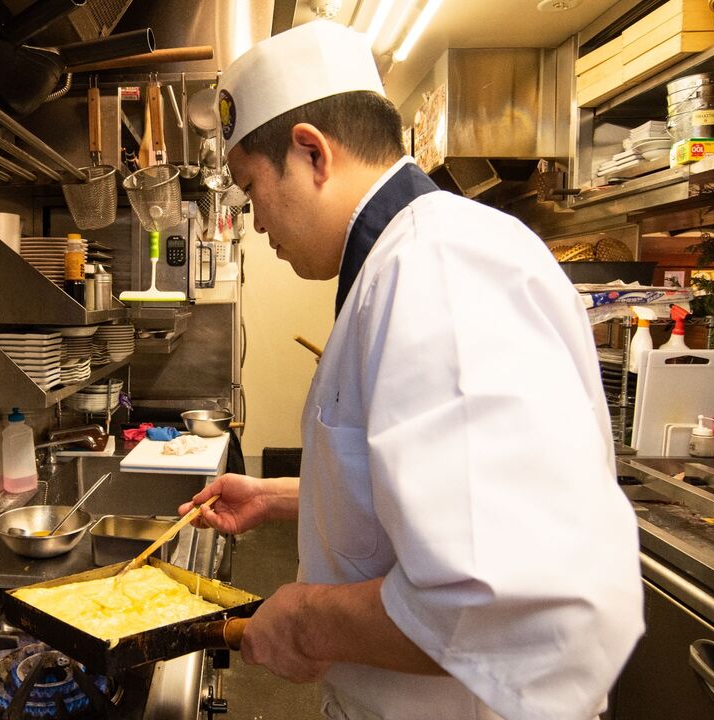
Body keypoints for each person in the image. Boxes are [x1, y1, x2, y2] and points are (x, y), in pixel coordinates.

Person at [178, 20, 644, 720]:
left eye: (250, 189)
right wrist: (289, 498)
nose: (254, 222)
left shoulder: (438, 270)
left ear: (311, 152)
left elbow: (490, 594)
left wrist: (303, 617)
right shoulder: (405, 263)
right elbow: (443, 498)